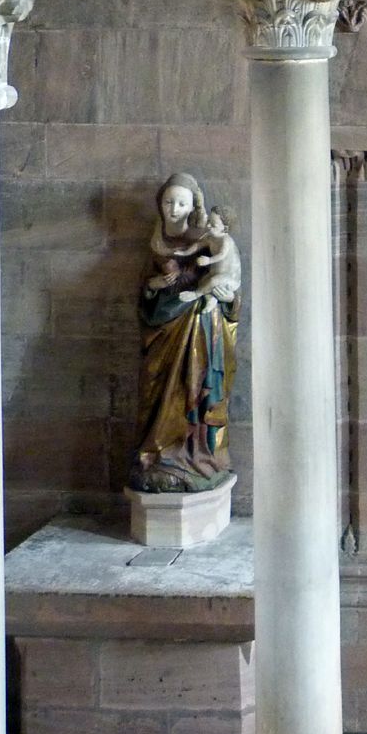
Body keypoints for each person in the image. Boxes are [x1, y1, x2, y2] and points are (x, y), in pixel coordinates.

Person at [129, 172, 241, 493]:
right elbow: (143, 296)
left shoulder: (207, 238)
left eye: (181, 203)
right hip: (164, 332)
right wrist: (153, 286)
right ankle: (159, 453)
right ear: (159, 204)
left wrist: (228, 298)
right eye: (168, 201)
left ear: (194, 206)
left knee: (198, 389)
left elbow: (230, 284)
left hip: (203, 331)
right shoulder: (156, 244)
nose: (174, 208)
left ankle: (198, 455)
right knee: (160, 391)